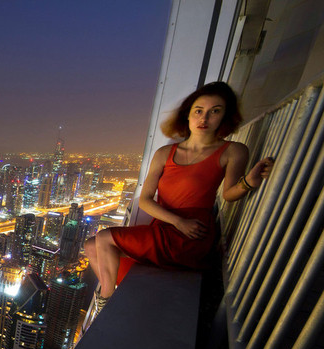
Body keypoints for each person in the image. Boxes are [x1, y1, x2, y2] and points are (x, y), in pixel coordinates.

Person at [85, 82, 274, 312]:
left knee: (104, 238)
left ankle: (106, 302)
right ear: (188, 115)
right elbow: (145, 200)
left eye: (215, 110)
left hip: (193, 233)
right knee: (90, 246)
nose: (205, 118)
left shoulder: (233, 150)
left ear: (225, 115)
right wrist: (176, 221)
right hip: (168, 225)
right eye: (198, 110)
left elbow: (229, 194)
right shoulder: (166, 153)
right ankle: (119, 291)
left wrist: (249, 182)